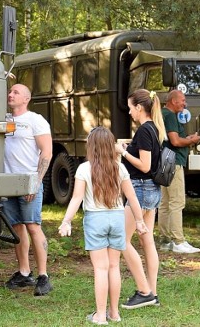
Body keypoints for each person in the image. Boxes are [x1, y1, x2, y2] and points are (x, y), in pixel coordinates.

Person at [58, 127, 148, 325]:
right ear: (110, 146)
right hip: (117, 218)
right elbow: (132, 197)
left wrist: (66, 222)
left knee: (101, 268)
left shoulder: (84, 169)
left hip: (95, 220)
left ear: (91, 146)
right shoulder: (120, 168)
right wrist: (140, 221)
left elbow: (76, 198)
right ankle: (114, 313)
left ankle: (100, 315)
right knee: (114, 266)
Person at [115, 89, 165, 308]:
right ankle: (152, 292)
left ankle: (144, 291)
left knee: (121, 240)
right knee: (147, 241)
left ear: (139, 107)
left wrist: (123, 152)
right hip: (152, 190)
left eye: (130, 107)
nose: (129, 112)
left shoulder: (144, 130)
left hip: (141, 189)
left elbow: (144, 166)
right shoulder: (153, 128)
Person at [2, 83, 54, 296]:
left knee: (33, 226)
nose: (10, 94)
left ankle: (43, 277)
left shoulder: (35, 120)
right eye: (10, 91)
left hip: (28, 181)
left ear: (26, 99)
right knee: (17, 228)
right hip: (7, 182)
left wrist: (36, 181)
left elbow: (47, 152)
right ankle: (24, 272)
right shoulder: (3, 120)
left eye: (16, 92)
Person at [158, 90, 200, 253]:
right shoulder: (169, 115)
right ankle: (178, 241)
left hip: (163, 160)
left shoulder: (161, 113)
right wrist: (191, 140)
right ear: (173, 101)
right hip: (174, 161)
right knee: (177, 202)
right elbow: (175, 141)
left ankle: (165, 241)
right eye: (182, 100)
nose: (185, 104)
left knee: (164, 202)